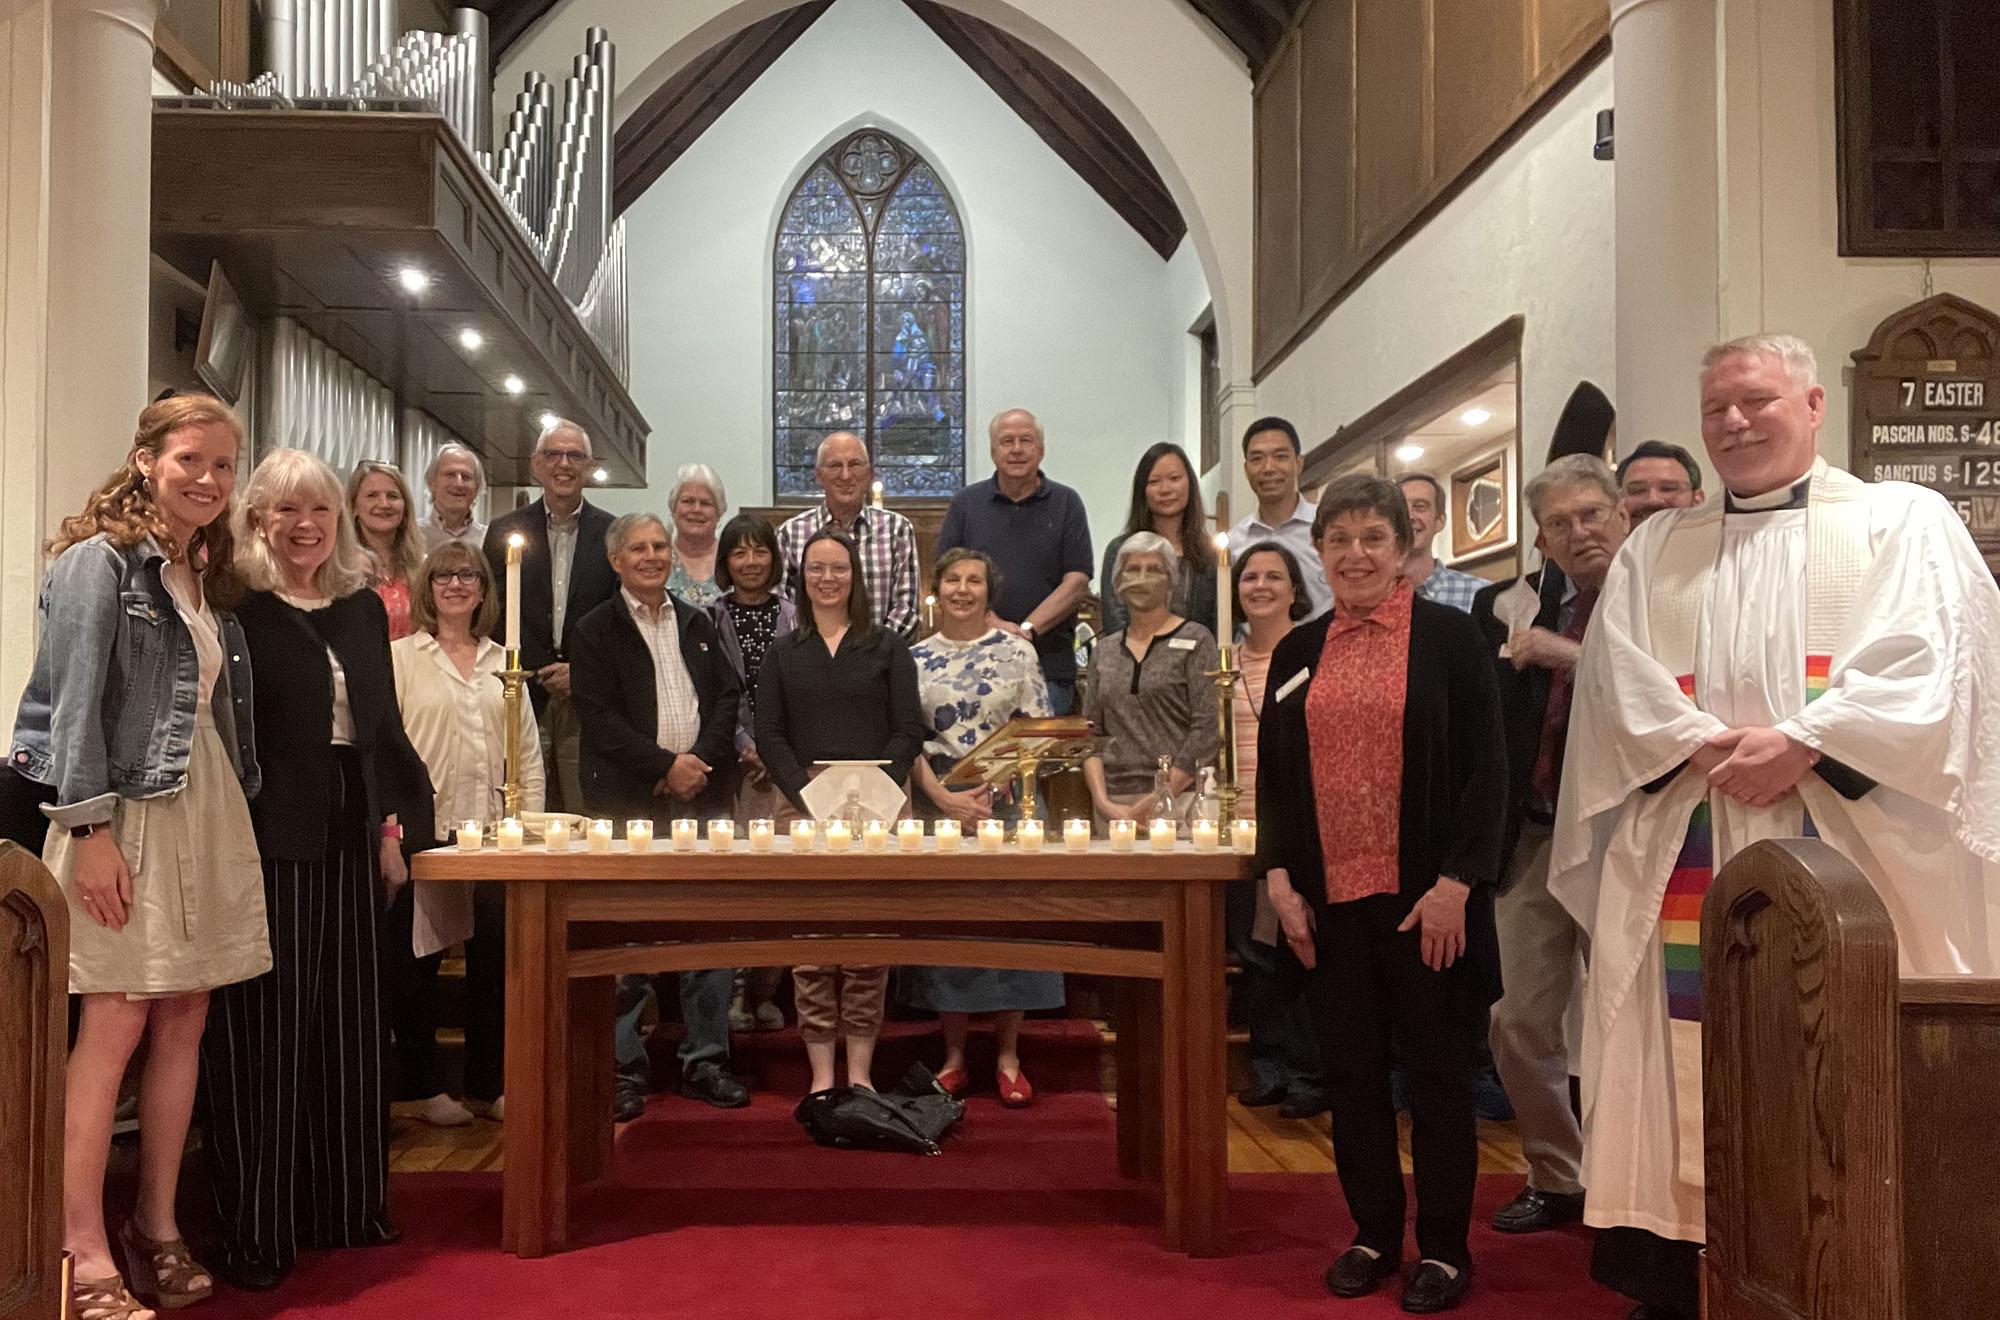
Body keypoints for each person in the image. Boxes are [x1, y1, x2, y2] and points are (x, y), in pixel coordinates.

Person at [1552, 333, 2000, 1320]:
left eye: (1755, 401)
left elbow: (1936, 664)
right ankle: (1686, 1278)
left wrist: (1805, 741)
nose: (1734, 423)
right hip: (1689, 831)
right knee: (1681, 1057)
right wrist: (1710, 747)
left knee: (1841, 1057)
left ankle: (1856, 1272)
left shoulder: (1902, 522)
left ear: (1808, 405)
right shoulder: (1657, 545)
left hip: (1856, 836)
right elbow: (1617, 686)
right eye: (1715, 409)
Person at [9, 395, 270, 1320]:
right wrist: (88, 833)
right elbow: (69, 707)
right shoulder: (98, 564)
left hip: (205, 803)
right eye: (191, 459)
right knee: (112, 1024)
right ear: (146, 459)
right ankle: (78, 1241)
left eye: (223, 466)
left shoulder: (200, 571)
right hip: (123, 813)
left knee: (185, 1015)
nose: (207, 480)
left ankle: (156, 1225)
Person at [1257, 475, 1508, 1315]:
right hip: (1331, 904)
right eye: (1339, 540)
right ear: (1318, 552)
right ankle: (1371, 1232)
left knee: (1438, 1078)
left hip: (1425, 902)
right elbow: (1277, 781)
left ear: (1403, 549)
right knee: (1352, 1076)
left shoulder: (1449, 638)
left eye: (1373, 538)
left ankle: (1442, 1247)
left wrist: (1456, 885)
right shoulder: (1297, 652)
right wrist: (1280, 878)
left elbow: (1488, 772)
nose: (1355, 555)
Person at [202, 448, 432, 1291]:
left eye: (320, 511)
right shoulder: (239, 607)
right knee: (269, 1030)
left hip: (350, 825)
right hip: (267, 833)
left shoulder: (363, 608)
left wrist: (390, 832)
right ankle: (259, 1225)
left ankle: (343, 1206)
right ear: (256, 518)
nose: (305, 526)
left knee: (347, 1023)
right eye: (285, 511)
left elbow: (381, 733)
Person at [1469, 455, 1630, 1236]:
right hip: (1534, 833)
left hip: (1629, 838)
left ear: (1620, 513)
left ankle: (1633, 1183)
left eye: (1591, 515)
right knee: (1517, 1016)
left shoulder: (1653, 596)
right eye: (1560, 523)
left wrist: (1570, 654)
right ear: (1540, 537)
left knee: (1631, 1018)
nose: (1579, 533)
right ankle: (1557, 1173)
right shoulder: (1509, 604)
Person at [570, 513, 748, 1117]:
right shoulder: (594, 630)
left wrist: (698, 760)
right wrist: (664, 766)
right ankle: (623, 1069)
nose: (651, 556)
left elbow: (727, 697)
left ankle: (706, 1062)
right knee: (628, 940)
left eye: (659, 546)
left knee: (708, 936)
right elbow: (598, 721)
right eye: (638, 548)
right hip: (630, 806)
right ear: (615, 560)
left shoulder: (697, 621)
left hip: (703, 798)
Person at [756, 528, 925, 1093]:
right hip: (802, 812)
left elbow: (908, 730)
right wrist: (811, 797)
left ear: (856, 577)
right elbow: (770, 733)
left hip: (875, 815)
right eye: (816, 569)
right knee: (810, 951)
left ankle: (860, 1075)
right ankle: (822, 1078)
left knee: (865, 948)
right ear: (801, 579)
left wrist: (869, 794)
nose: (827, 579)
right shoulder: (785, 652)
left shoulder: (887, 647)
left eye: (839, 569)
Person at [388, 541, 544, 1128]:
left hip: (494, 832)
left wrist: (528, 826)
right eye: (444, 575)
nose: (456, 584)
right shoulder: (401, 657)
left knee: (494, 962)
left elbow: (526, 750)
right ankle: (426, 1085)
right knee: (417, 964)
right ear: (428, 588)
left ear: (484, 590)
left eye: (469, 576)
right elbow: (390, 749)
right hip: (425, 832)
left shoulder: (504, 661)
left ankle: (489, 1082)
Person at [903, 549, 1063, 1106]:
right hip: (940, 798)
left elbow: (1037, 730)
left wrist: (990, 793)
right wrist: (946, 798)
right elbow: (904, 739)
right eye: (953, 580)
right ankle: (952, 1054)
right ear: (937, 588)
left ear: (989, 591)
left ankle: (1008, 1052)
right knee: (952, 926)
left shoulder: (1017, 651)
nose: (963, 590)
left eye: (974, 581)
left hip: (1009, 799)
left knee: (1009, 925)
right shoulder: (914, 657)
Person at [1226, 540, 1326, 1121]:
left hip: (1302, 818)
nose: (1259, 586)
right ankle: (1270, 1066)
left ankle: (1312, 1071)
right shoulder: (1224, 660)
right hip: (1242, 819)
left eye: (1273, 576)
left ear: (1295, 588)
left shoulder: (1315, 652)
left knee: (1302, 943)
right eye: (1249, 577)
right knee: (1255, 949)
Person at [484, 417, 618, 813]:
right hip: (523, 688)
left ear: (589, 466)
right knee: (522, 803)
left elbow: (616, 617)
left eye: (574, 455)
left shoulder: (612, 533)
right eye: (553, 454)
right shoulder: (504, 531)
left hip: (587, 693)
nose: (564, 464)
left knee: (584, 808)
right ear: (536, 464)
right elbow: (493, 610)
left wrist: (581, 670)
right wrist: (537, 666)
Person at [935, 409, 1094, 712]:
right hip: (972, 662)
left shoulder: (1066, 503)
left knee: (1037, 757)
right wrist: (995, 626)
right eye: (1007, 441)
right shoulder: (966, 504)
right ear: (994, 451)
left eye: (1026, 440)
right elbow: (948, 576)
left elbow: (1077, 581)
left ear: (1041, 449)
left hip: (1048, 665)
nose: (1017, 449)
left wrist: (1027, 630)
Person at [707, 513, 795, 1033]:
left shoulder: (796, 614)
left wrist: (774, 749)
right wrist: (746, 745)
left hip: (784, 764)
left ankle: (768, 989)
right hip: (732, 765)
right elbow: (718, 692)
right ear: (725, 562)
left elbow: (802, 692)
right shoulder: (707, 617)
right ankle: (734, 994)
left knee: (782, 883)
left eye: (760, 551)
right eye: (739, 552)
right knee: (738, 884)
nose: (751, 561)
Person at [1082, 532, 1221, 824]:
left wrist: (1160, 796)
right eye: (1133, 569)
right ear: (1118, 582)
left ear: (1172, 580)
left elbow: (1206, 729)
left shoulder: (1196, 639)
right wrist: (1103, 802)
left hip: (1180, 800)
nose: (1142, 578)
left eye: (1154, 569)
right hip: (1113, 804)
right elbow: (1090, 736)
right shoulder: (1105, 651)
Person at [775, 432, 920, 638]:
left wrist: (875, 654)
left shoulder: (897, 529)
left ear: (869, 473)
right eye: (835, 466)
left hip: (881, 663)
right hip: (811, 662)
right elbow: (783, 608)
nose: (845, 475)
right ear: (818, 476)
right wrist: (818, 652)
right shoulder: (790, 534)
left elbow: (908, 609)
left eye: (854, 464)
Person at [1099, 443, 1217, 636]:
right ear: (1142, 490)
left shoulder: (1210, 554)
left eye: (1174, 479)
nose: (1165, 489)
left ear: (1189, 483)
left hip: (1197, 659)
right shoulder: (1120, 550)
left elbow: (1218, 623)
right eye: (1154, 481)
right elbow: (1115, 622)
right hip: (1133, 660)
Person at [1228, 417, 1333, 618]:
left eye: (1280, 456)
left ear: (1298, 463)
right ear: (1246, 468)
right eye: (1257, 459)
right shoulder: (1234, 543)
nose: (1268, 468)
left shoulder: (1328, 528)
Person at [347, 459, 423, 640]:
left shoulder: (423, 567)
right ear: (354, 507)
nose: (384, 504)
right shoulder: (340, 566)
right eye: (372, 495)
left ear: (405, 507)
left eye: (392, 496)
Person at [1398, 473, 1484, 613]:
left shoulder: (1478, 594)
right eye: (1400, 509)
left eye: (1420, 506)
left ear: (1440, 521)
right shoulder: (1370, 597)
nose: (1409, 516)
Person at [665, 462, 728, 607]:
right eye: (687, 501)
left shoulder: (731, 560)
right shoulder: (658, 559)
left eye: (706, 503)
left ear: (719, 513)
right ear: (673, 508)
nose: (696, 509)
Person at [416, 442, 489, 552]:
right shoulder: (410, 535)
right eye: (450, 474)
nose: (458, 483)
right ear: (431, 482)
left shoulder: (488, 538)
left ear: (477, 487)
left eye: (466, 477)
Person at [1615, 439, 1706, 526]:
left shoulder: (1716, 541)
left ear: (1697, 500)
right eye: (1637, 490)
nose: (1653, 500)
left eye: (1668, 489)